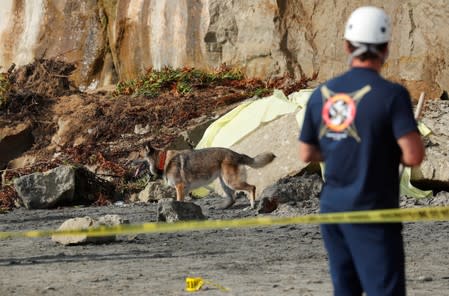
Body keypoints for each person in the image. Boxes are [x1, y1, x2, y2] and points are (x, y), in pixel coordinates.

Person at [298, 6, 425, 296]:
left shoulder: (321, 95)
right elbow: (413, 156)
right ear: (386, 48)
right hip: (374, 210)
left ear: (347, 46)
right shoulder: (392, 95)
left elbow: (306, 153)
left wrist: (341, 147)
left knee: (346, 291)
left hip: (332, 211)